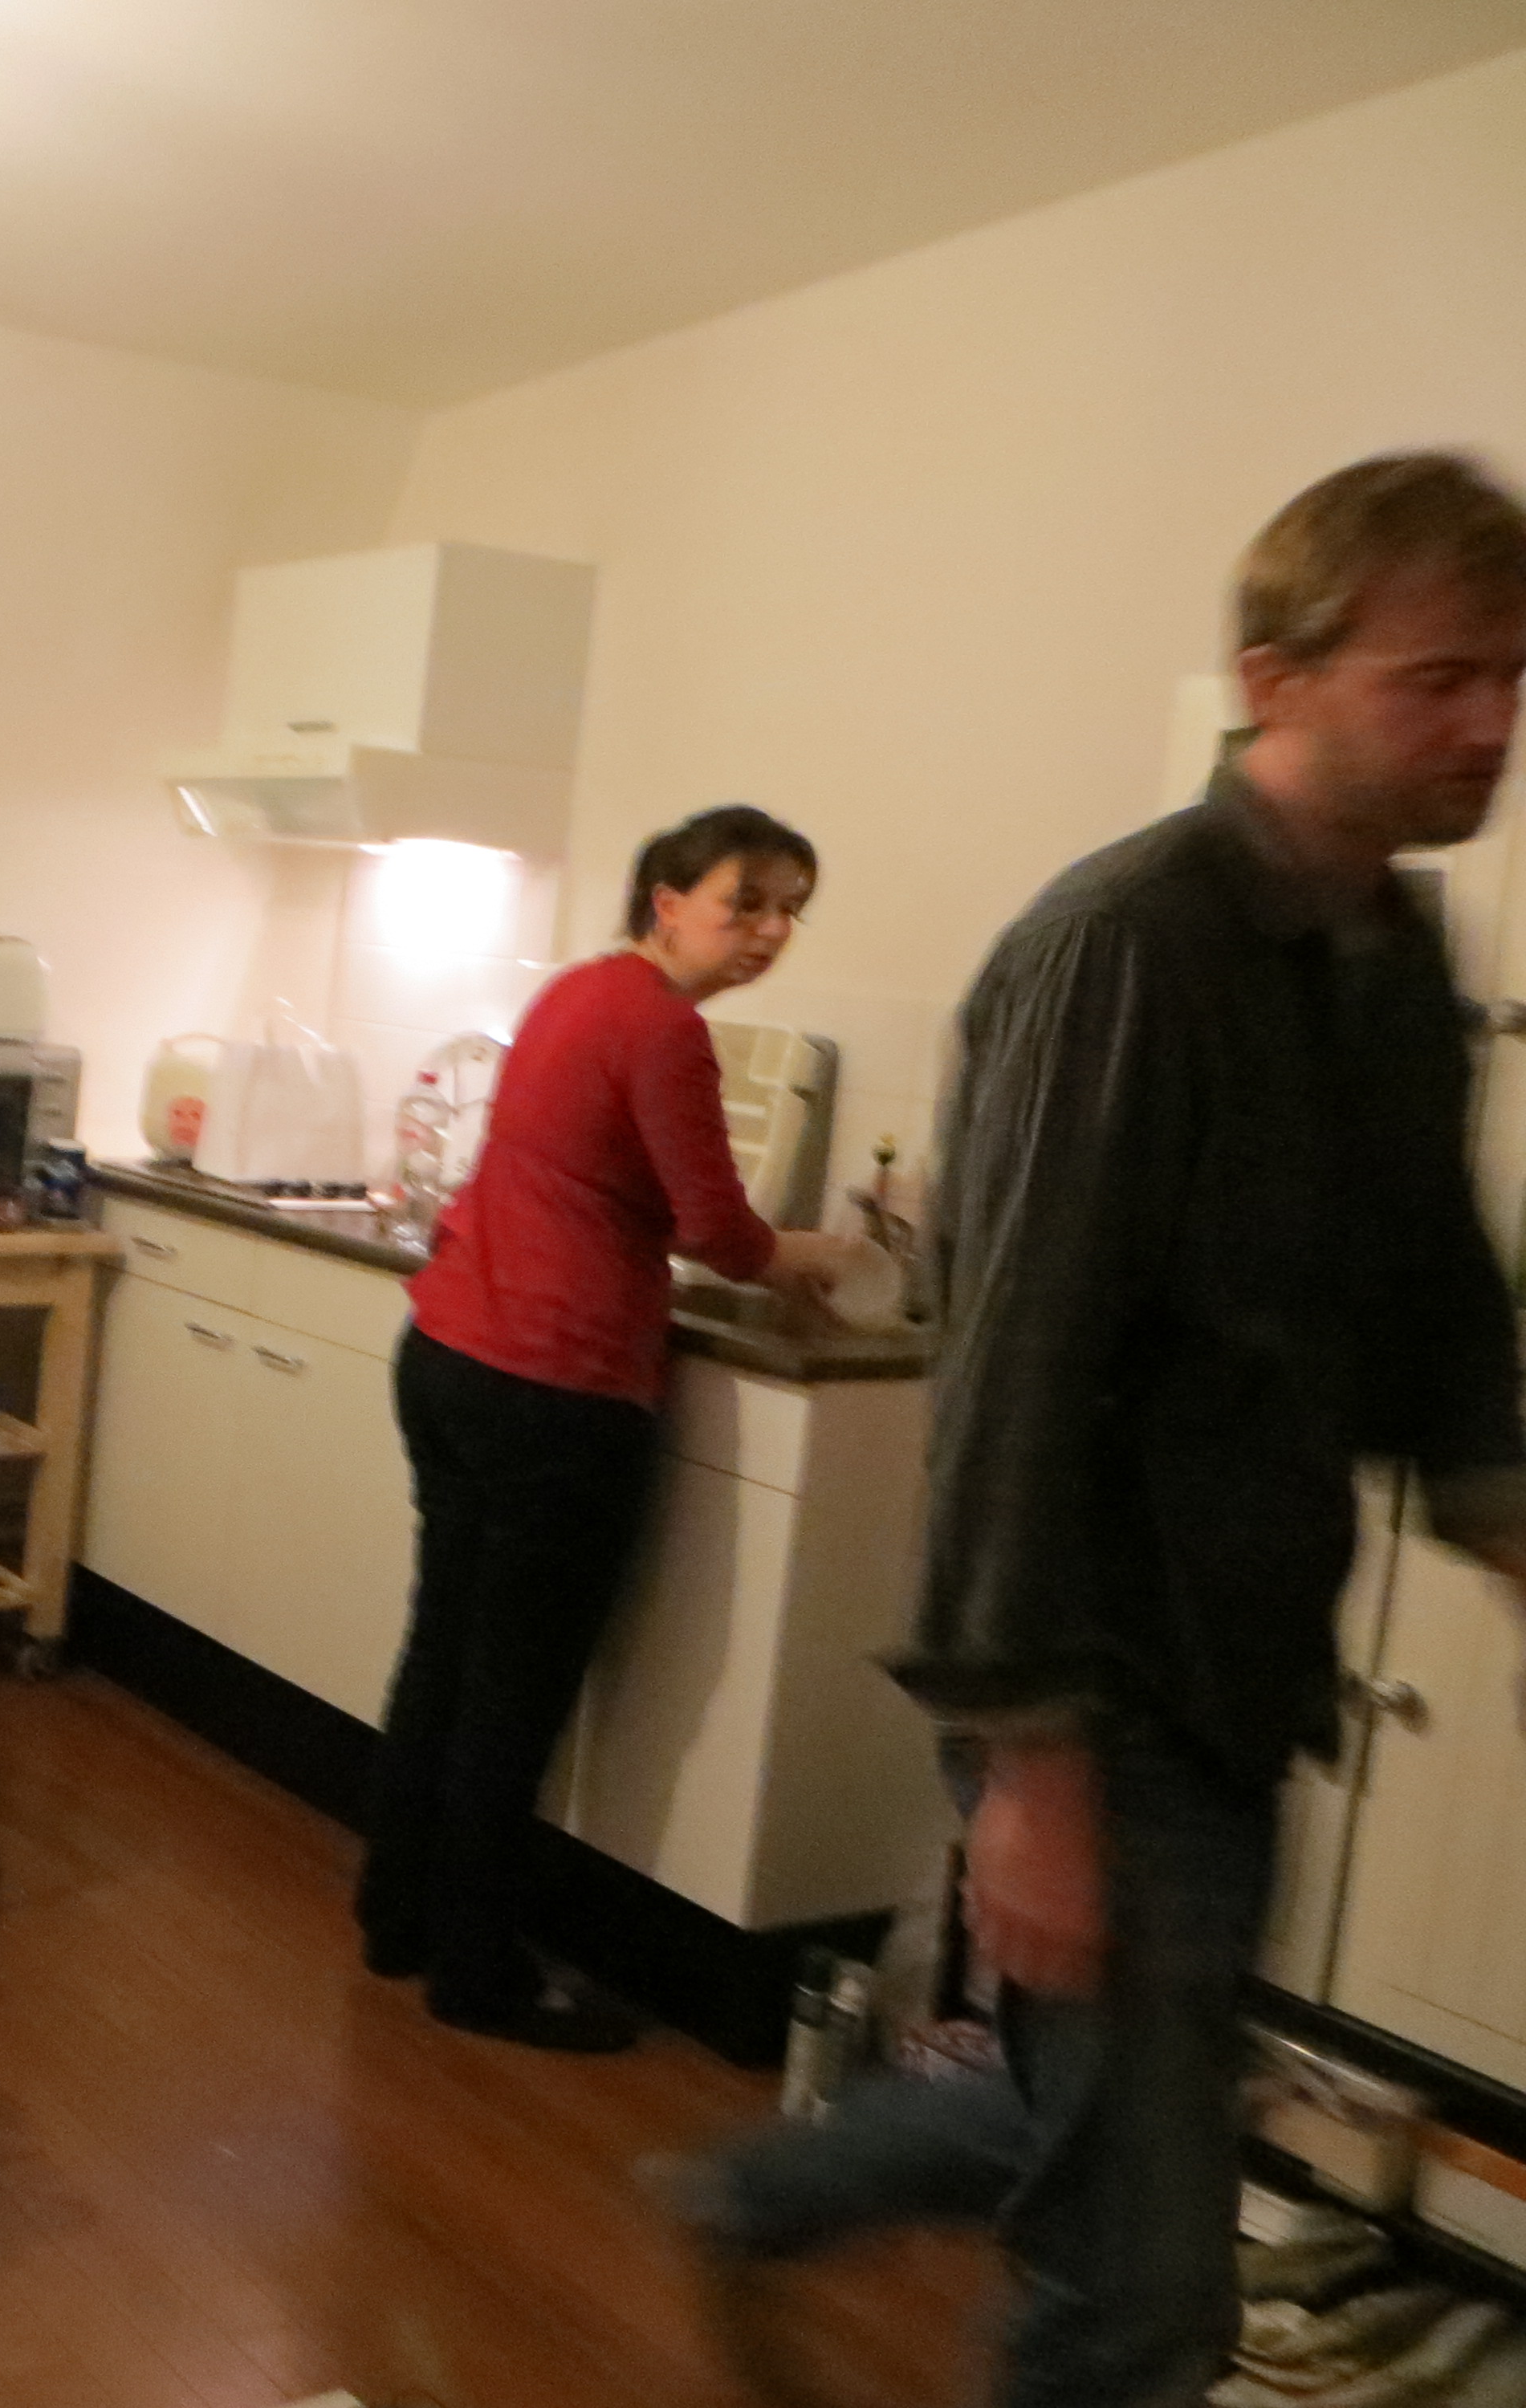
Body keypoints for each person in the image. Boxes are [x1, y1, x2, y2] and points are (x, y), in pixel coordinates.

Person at [663, 451, 1526, 2408]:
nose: (1489, 724)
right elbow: (1014, 1367)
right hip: (1103, 1685)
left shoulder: (1391, 955)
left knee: (1120, 2090)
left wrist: (1503, 1521)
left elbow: (1426, 1298)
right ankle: (777, 2199)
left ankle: (754, 2192)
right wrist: (1028, 1768)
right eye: (1437, 677)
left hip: (1239, 1672)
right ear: (1273, 678)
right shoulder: (1126, 944)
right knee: (1140, 2297)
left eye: (1510, 679)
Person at [356, 805, 865, 2051]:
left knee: (445, 1649)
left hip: (451, 1352)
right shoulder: (666, 1028)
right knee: (513, 1689)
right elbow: (718, 1231)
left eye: (790, 910)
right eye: (747, 903)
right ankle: (479, 1972)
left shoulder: (579, 993)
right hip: (555, 1384)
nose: (770, 931)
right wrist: (815, 1257)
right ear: (669, 901)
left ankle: (398, 1914)